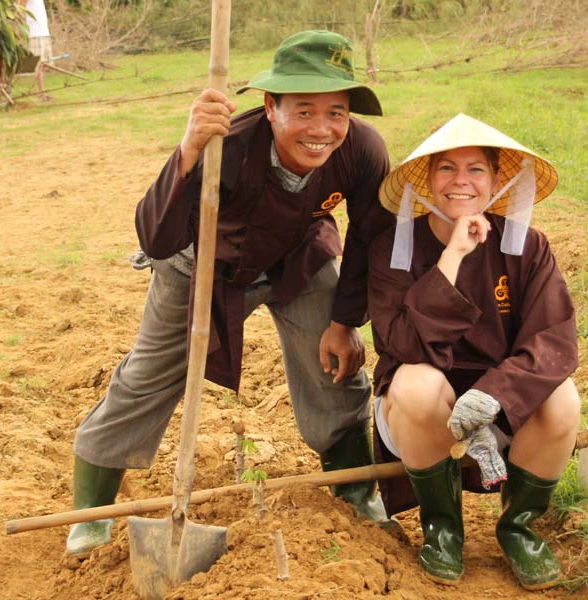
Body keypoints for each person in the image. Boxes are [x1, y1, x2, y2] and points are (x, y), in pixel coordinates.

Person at [67, 30, 396, 555]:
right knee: (148, 375)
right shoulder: (229, 146)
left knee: (334, 367)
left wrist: (344, 321)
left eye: (336, 112)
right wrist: (190, 148)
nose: (321, 129)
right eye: (304, 110)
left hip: (296, 259)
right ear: (270, 106)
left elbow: (369, 240)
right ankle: (91, 512)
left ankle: (356, 488)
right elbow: (156, 236)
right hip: (199, 264)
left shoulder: (361, 149)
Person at [367, 113, 581, 590]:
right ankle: (442, 527)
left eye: (476, 170)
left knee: (563, 399)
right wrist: (454, 257)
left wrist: (495, 395)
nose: (460, 181)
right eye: (446, 169)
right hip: (417, 410)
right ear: (428, 180)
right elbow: (401, 343)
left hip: (503, 406)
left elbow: (553, 338)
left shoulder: (526, 246)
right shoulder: (392, 248)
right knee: (419, 385)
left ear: (497, 181)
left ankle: (518, 528)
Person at [20, 0, 53, 101]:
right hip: (34, 34)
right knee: (37, 65)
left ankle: (42, 92)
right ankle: (40, 94)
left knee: (43, 65)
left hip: (43, 32)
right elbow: (20, 8)